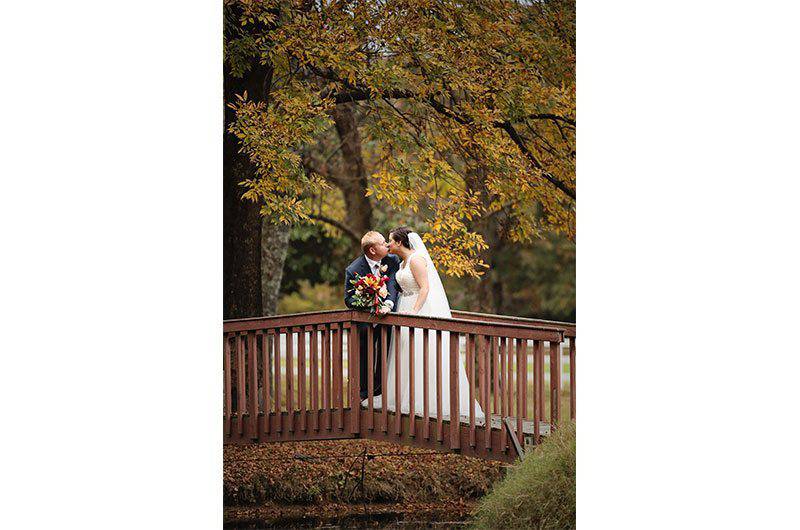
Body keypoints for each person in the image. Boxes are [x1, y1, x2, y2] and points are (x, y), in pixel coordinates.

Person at [371, 226, 485, 421]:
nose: (388, 244)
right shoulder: (402, 263)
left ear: (399, 242)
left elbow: (424, 288)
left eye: (390, 240)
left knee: (424, 351)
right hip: (404, 305)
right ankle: (404, 396)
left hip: (419, 308)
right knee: (407, 351)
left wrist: (414, 312)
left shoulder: (416, 260)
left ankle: (429, 400)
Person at [344, 231, 401, 400]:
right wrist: (371, 303)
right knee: (364, 357)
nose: (387, 245)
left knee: (386, 355)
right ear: (372, 250)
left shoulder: (392, 261)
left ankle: (381, 392)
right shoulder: (354, 269)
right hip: (366, 322)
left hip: (388, 319)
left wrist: (388, 304)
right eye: (383, 243)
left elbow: (393, 285)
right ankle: (363, 395)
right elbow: (349, 299)